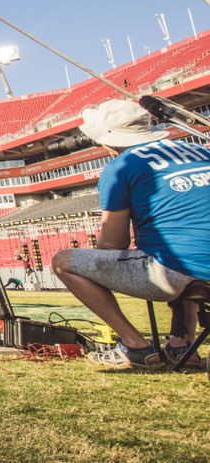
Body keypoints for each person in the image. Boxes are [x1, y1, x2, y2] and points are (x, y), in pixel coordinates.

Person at [52, 99, 210, 370]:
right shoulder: (200, 152)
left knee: (63, 262)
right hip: (196, 267)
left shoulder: (121, 166)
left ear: (107, 140)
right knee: (180, 253)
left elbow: (114, 243)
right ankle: (181, 345)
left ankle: (135, 347)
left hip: (176, 271)